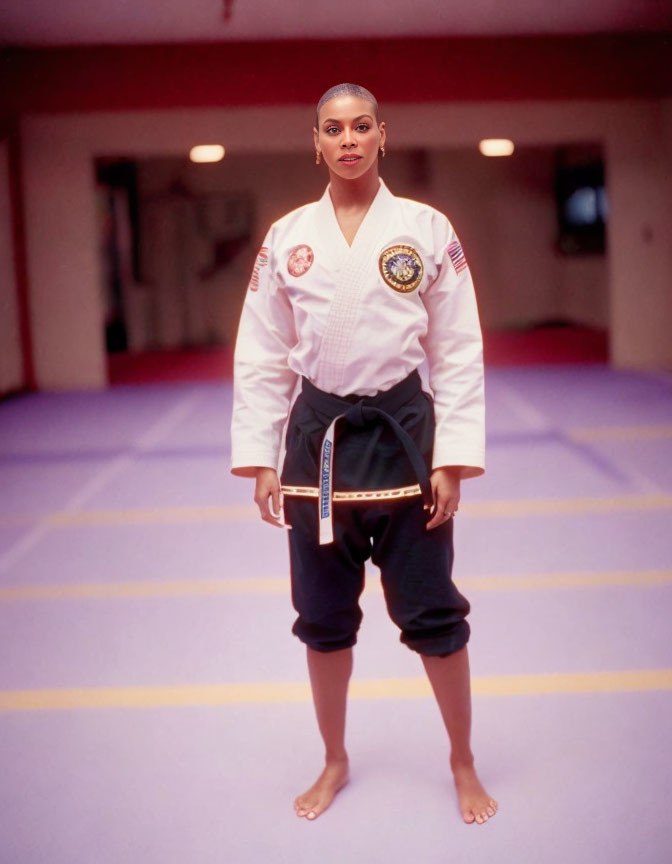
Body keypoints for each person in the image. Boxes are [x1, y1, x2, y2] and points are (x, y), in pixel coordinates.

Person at [231, 83, 497, 826]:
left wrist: (453, 457)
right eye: (332, 128)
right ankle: (335, 759)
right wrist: (260, 456)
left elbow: (458, 349)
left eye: (361, 126)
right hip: (318, 441)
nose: (348, 139)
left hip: (406, 435)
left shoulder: (426, 227)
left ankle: (462, 759)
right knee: (322, 616)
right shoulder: (287, 237)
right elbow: (260, 352)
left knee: (434, 611)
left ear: (384, 134)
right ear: (313, 141)